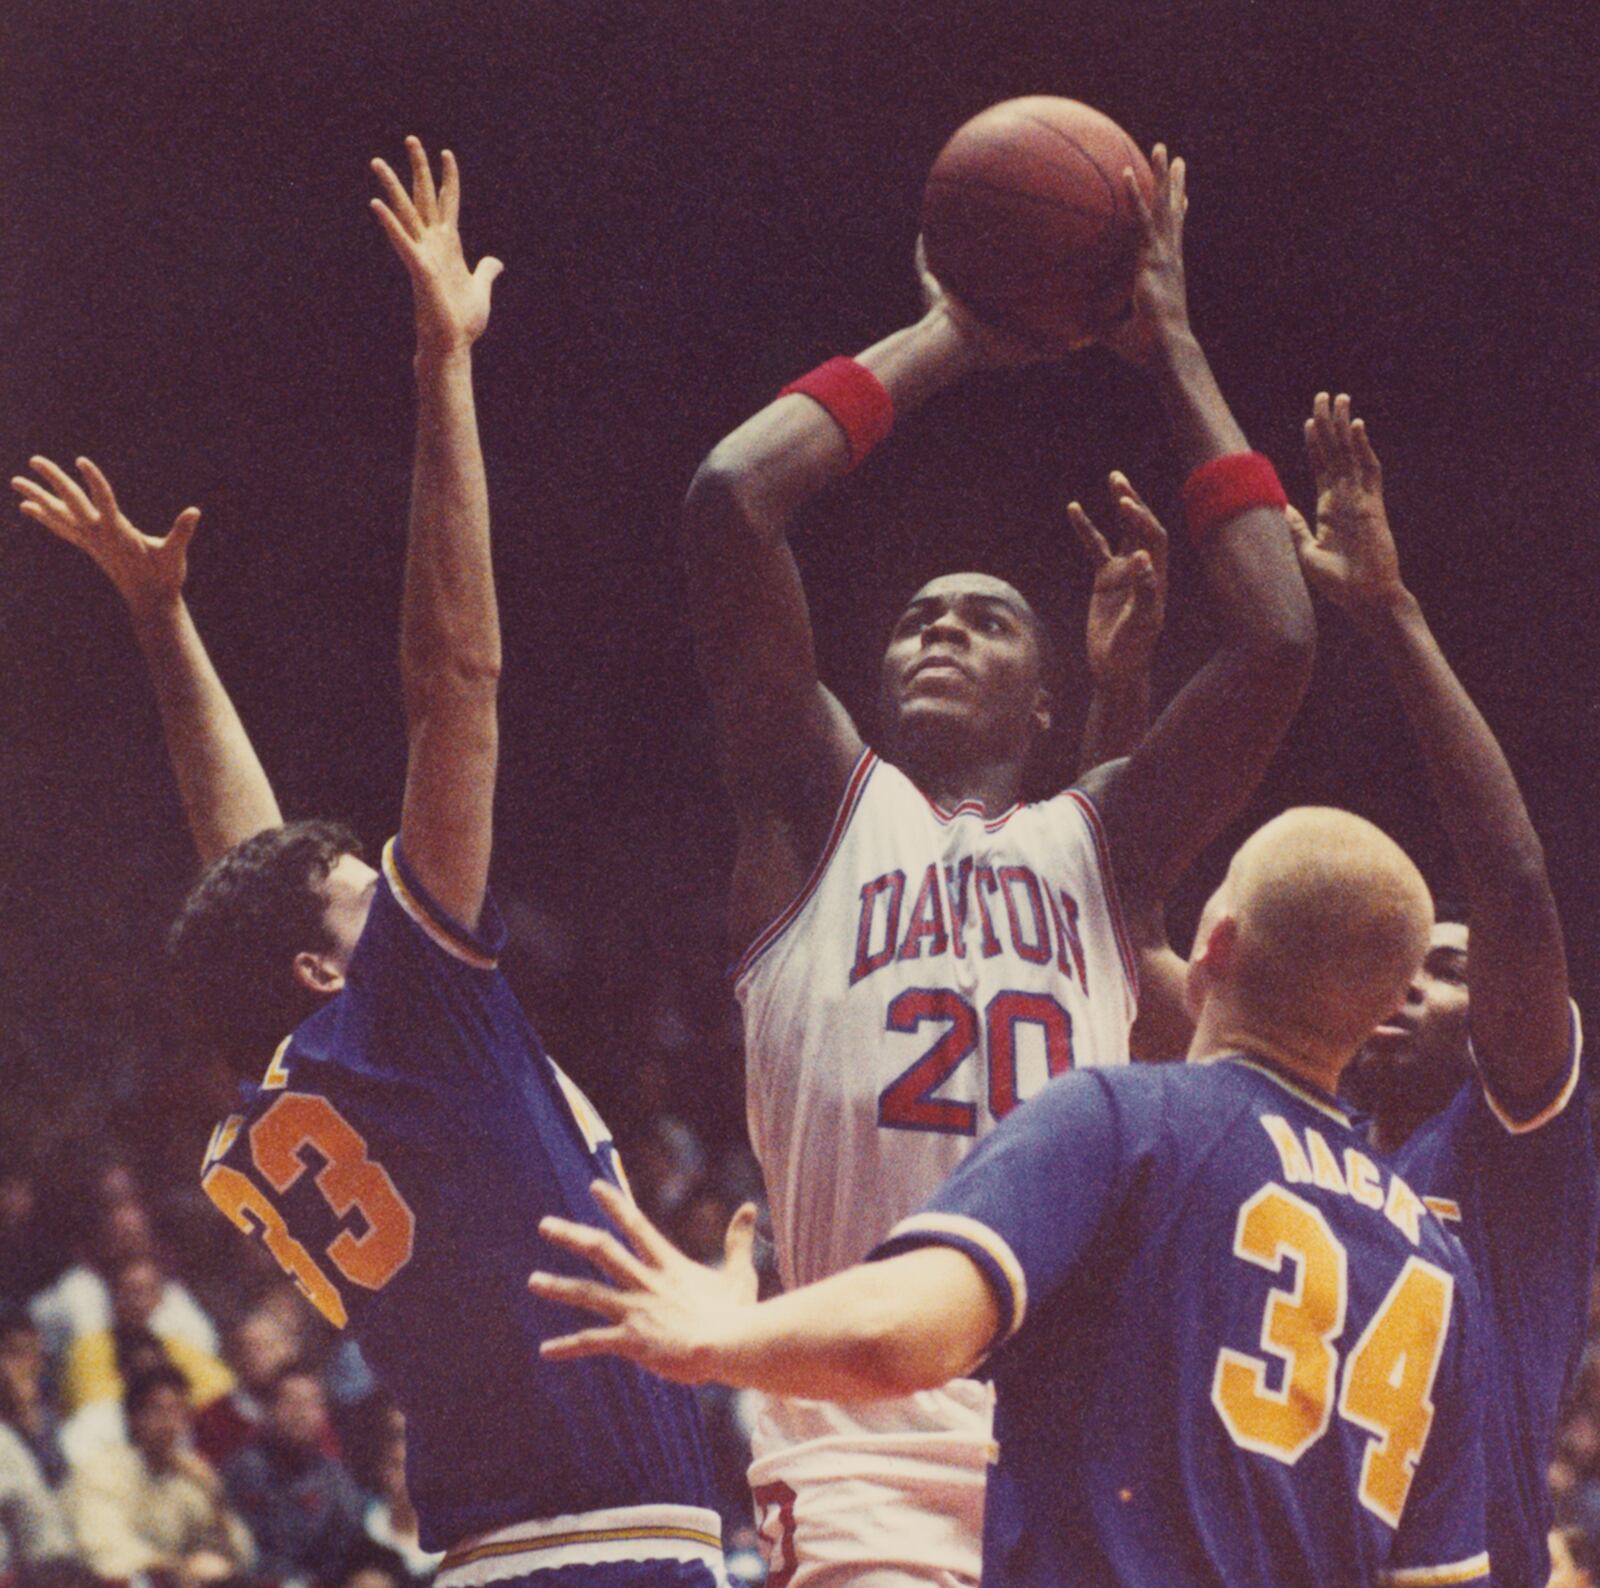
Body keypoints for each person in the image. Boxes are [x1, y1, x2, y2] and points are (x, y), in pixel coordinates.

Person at [14, 138, 726, 1585]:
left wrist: (163, 621)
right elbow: (455, 678)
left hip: (489, 1552)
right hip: (605, 1551)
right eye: (362, 889)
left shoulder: (294, 1099)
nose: (385, 879)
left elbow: (249, 861)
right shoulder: (412, 1020)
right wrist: (441, 364)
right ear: (324, 963)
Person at [683, 143, 1315, 1577]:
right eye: (916, 617)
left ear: (1048, 702)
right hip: (864, 1443)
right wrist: (952, 339)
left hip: (1084, 1442)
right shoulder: (813, 819)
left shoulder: (1098, 851)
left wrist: (1178, 353)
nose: (941, 628)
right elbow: (731, 500)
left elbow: (1278, 639)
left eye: (985, 618)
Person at [533, 807, 1490, 1588]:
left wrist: (716, 1339)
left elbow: (899, 1336)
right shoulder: (1439, 1267)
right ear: (1374, 1016)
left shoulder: (1129, 1117)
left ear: (1213, 946)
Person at [1287, 392, 1597, 1588]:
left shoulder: (1512, 1139)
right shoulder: (1303, 1156)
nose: (1412, 983)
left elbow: (1513, 884)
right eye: (1398, 960)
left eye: (1450, 967)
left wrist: (1390, 615)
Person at [63, 1362, 254, 1584]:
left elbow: (242, 1554)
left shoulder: (191, 1474)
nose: (169, 1424)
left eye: (177, 1411)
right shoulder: (100, 1471)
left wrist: (215, 1497)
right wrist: (175, 1566)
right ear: (133, 1419)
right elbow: (105, 1551)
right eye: (157, 1411)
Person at [222, 1368, 366, 1586]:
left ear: (323, 1413)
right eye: (290, 1402)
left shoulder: (337, 1483)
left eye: (310, 1404)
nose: (300, 1413)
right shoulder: (240, 1472)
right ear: (268, 1409)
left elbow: (345, 1557)